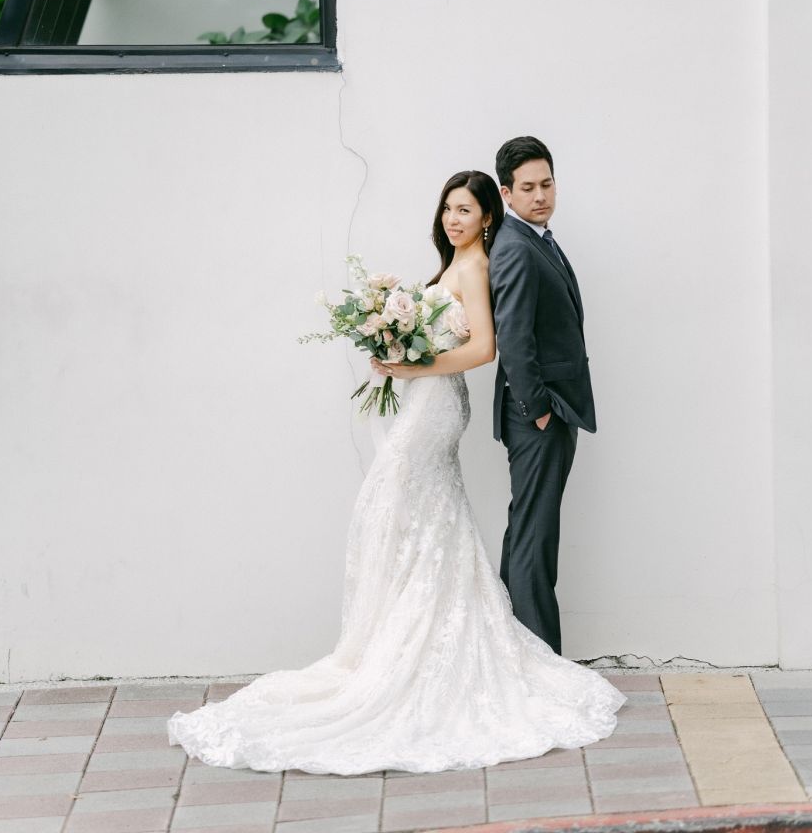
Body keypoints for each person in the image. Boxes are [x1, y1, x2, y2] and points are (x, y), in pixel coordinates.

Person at [168, 169, 623, 775]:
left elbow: (485, 347)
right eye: (448, 209)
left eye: (466, 210)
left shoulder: (478, 267)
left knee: (404, 501)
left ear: (488, 216)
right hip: (425, 400)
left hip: (436, 405)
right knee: (414, 516)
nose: (454, 219)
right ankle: (396, 637)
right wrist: (395, 345)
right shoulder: (455, 263)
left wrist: (414, 365)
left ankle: (427, 646)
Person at [489, 136, 595, 656]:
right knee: (535, 538)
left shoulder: (538, 238)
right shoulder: (514, 246)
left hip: (552, 408)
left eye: (547, 184)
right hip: (537, 413)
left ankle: (515, 653)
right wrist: (538, 412)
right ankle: (541, 662)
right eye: (527, 187)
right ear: (506, 194)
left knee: (528, 531)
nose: (540, 196)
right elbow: (512, 338)